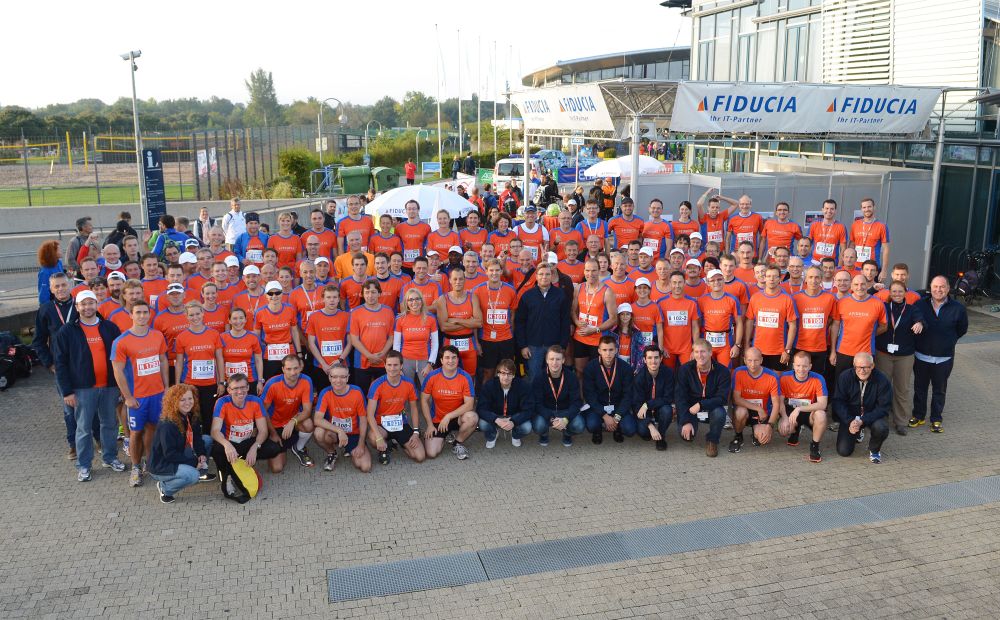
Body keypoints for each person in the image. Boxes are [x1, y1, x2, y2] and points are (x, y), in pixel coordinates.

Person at [52, 289, 124, 481]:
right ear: (77, 307)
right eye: (83, 304)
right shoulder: (67, 331)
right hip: (82, 389)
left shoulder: (110, 328)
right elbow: (60, 363)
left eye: (91, 303)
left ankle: (110, 457)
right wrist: (67, 391)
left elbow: (120, 358)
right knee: (83, 428)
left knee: (110, 424)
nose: (87, 307)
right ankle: (84, 465)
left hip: (109, 386)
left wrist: (121, 386)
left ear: (96, 305)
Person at [110, 301, 169, 488]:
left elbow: (163, 361)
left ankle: (150, 463)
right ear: (131, 315)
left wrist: (167, 387)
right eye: (138, 312)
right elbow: (118, 371)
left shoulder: (157, 336)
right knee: (135, 433)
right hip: (138, 397)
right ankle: (135, 468)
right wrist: (128, 397)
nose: (142, 316)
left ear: (150, 314)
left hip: (157, 395)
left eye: (145, 312)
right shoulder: (121, 341)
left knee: (153, 428)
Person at [210, 373, 282, 502]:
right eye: (235, 388)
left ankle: (242, 462)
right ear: (229, 390)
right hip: (230, 444)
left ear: (248, 387)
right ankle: (227, 474)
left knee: (273, 448)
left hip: (247, 442)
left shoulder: (255, 401)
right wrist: (227, 445)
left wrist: (255, 447)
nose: (240, 391)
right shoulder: (222, 402)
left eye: (243, 387)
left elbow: (263, 431)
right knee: (216, 448)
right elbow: (214, 431)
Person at [910, 276, 968, 433]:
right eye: (935, 286)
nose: (938, 290)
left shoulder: (958, 308)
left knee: (939, 390)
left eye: (942, 287)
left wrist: (948, 341)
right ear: (930, 287)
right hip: (921, 356)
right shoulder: (920, 304)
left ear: (948, 288)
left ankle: (936, 419)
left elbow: (962, 329)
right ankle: (918, 415)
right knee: (920, 388)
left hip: (944, 358)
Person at [875, 281, 925, 435]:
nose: (897, 294)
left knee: (902, 389)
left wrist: (920, 323)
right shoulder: (883, 306)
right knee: (882, 387)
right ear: (889, 293)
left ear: (905, 293)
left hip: (904, 356)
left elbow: (920, 318)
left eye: (900, 291)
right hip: (883, 354)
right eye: (894, 291)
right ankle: (881, 418)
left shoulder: (911, 309)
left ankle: (901, 421)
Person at [148, 384, 211, 503]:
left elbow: (197, 438)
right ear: (174, 401)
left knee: (207, 440)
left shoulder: (191, 414)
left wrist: (201, 454)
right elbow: (170, 454)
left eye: (190, 398)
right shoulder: (168, 424)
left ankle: (201, 472)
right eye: (182, 400)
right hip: (162, 465)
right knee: (192, 475)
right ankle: (165, 488)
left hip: (181, 451)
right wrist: (194, 462)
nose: (188, 403)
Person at [366, 350, 426, 465]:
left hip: (400, 423)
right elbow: (369, 414)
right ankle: (385, 446)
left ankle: (401, 443)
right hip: (381, 425)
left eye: (395, 365)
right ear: (384, 365)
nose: (392, 368)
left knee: (420, 456)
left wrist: (416, 432)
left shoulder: (409, 383)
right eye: (389, 365)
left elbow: (414, 408)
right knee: (373, 438)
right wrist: (379, 437)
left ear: (401, 366)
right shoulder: (377, 384)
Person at [174, 301, 226, 430]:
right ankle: (192, 441)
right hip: (190, 384)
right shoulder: (181, 337)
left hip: (210, 384)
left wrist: (221, 382)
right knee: (192, 417)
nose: (195, 317)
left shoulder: (214, 334)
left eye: (197, 314)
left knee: (209, 415)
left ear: (203, 313)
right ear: (186, 316)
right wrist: (178, 384)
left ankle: (208, 440)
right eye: (191, 315)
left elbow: (219, 358)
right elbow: (179, 362)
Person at [515, 263, 571, 382]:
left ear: (551, 276)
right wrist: (523, 346)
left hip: (554, 345)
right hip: (533, 346)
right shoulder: (527, 296)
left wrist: (563, 345)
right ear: (536, 276)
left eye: (547, 274)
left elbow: (565, 322)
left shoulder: (560, 295)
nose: (544, 277)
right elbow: (520, 322)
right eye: (541, 274)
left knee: (553, 377)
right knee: (534, 378)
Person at [832, 352, 892, 463]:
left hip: (872, 415)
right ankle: (858, 430)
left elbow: (883, 407)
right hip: (851, 416)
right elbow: (838, 401)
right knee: (844, 451)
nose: (862, 370)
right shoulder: (845, 377)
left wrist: (863, 420)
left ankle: (874, 450)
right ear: (854, 366)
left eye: (865, 367)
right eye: (858, 367)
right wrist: (849, 420)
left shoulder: (882, 380)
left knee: (881, 427)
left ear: (872, 366)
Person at [675, 339, 730, 457]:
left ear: (710, 352)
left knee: (720, 413)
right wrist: (686, 421)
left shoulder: (723, 371)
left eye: (703, 351)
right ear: (693, 353)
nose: (700, 355)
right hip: (691, 407)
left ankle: (712, 440)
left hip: (711, 406)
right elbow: (680, 397)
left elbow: (722, 398)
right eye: (696, 352)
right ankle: (690, 423)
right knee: (687, 436)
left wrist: (701, 405)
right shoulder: (685, 369)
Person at [421, 346, 478, 460]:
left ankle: (457, 442)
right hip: (438, 420)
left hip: (457, 417)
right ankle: (445, 435)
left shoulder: (465, 377)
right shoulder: (432, 376)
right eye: (447, 358)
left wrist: (448, 416)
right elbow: (424, 400)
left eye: (454, 357)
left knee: (472, 418)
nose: (450, 361)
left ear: (458, 360)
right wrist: (430, 425)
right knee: (431, 453)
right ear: (441, 360)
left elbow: (469, 404)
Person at [313, 364, 371, 472]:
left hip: (354, 434)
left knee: (365, 467)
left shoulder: (357, 392)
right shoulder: (325, 393)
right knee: (318, 432)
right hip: (334, 433)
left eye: (342, 377)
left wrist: (361, 443)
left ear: (348, 377)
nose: (338, 381)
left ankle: (349, 448)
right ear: (329, 377)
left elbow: (363, 420)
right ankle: (332, 453)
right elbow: (317, 419)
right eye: (334, 377)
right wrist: (339, 431)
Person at [262, 354, 315, 471]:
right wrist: (272, 433)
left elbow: (307, 411)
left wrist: (292, 421)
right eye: (289, 369)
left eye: (296, 368)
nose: (293, 372)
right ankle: (277, 444)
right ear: (283, 369)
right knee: (277, 468)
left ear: (301, 367)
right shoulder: (272, 383)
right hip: (274, 425)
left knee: (308, 424)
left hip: (293, 422)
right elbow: (262, 412)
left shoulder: (306, 380)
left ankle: (298, 448)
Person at [832, 274, 888, 380]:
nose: (859, 287)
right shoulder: (842, 302)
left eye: (863, 284)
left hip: (866, 353)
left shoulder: (878, 304)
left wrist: (868, 333)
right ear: (851, 286)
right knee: (842, 383)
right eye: (856, 284)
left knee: (864, 384)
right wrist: (833, 351)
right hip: (844, 351)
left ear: (867, 285)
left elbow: (884, 326)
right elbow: (835, 325)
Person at [777, 351, 829, 463]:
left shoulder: (818, 378)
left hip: (809, 411)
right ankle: (795, 431)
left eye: (805, 366)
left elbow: (822, 404)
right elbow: (780, 401)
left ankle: (815, 446)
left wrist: (799, 408)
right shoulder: (785, 377)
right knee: (783, 431)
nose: (801, 369)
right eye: (798, 365)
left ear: (810, 366)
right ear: (793, 365)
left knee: (821, 415)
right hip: (791, 410)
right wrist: (784, 417)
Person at [744, 266, 798, 370]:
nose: (771, 279)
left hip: (779, 351)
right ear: (764, 278)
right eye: (768, 276)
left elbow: (793, 326)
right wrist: (747, 345)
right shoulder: (755, 298)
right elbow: (749, 321)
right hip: (758, 349)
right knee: (758, 378)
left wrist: (787, 350)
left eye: (775, 276)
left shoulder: (787, 299)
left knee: (777, 379)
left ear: (780, 278)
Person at [582, 336, 634, 444]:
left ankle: (617, 427)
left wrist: (617, 417)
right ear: (599, 351)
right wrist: (604, 415)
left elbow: (628, 395)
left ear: (616, 350)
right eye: (604, 350)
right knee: (591, 425)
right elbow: (589, 395)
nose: (608, 353)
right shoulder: (590, 367)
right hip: (598, 406)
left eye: (611, 350)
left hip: (618, 406)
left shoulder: (626, 368)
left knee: (630, 429)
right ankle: (598, 430)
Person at [729, 347, 781, 453]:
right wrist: (758, 408)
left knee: (762, 439)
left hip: (762, 414)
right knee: (740, 412)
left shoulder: (772, 376)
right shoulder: (738, 372)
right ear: (744, 360)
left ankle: (755, 430)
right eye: (749, 360)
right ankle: (738, 436)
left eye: (756, 360)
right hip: (745, 408)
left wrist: (770, 426)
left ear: (761, 360)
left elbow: (776, 404)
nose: (753, 364)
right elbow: (736, 399)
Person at [531, 345, 585, 447]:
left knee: (579, 425)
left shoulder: (571, 377)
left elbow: (577, 402)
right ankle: (544, 434)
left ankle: (567, 434)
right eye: (551, 359)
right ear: (547, 360)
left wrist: (566, 418)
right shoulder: (539, 378)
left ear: (563, 360)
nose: (554, 363)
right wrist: (551, 418)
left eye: (558, 359)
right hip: (547, 410)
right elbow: (537, 403)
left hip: (565, 410)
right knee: (538, 426)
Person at [793, 266, 839, 378]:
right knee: (799, 379)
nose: (813, 280)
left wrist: (833, 350)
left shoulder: (830, 298)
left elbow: (833, 322)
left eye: (817, 277)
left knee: (817, 380)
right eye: (810, 277)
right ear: (805, 279)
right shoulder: (795, 298)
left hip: (820, 348)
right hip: (799, 346)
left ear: (821, 279)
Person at [477, 358, 534, 448]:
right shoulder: (489, 385)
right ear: (498, 374)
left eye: (509, 374)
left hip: (514, 416)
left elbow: (529, 409)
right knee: (483, 424)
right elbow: (481, 408)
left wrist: (514, 421)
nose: (506, 377)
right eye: (503, 373)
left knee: (527, 427)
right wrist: (496, 419)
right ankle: (493, 434)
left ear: (514, 375)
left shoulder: (523, 386)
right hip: (496, 416)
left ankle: (515, 434)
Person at [349, 280, 395, 393]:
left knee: (383, 393)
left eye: (373, 292)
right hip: (362, 361)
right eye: (367, 292)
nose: (370, 295)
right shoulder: (356, 312)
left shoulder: (388, 311)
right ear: (362, 294)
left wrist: (382, 353)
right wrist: (369, 356)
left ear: (379, 293)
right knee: (362, 393)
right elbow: (354, 339)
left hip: (382, 360)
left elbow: (391, 337)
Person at [631, 345, 675, 451]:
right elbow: (636, 405)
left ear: (661, 358)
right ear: (644, 360)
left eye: (656, 357)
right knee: (644, 432)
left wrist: (647, 405)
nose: (653, 361)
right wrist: (650, 426)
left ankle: (661, 437)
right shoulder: (639, 378)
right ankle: (650, 430)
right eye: (650, 358)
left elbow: (668, 398)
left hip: (659, 408)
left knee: (667, 410)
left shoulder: (668, 373)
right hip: (644, 413)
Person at [255, 280, 301, 380]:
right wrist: (258, 355)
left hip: (288, 351)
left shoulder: (290, 309)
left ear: (282, 294)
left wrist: (299, 352)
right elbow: (256, 336)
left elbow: (294, 332)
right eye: (270, 293)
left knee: (291, 380)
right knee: (271, 382)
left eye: (277, 293)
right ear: (266, 296)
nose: (274, 296)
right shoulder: (260, 313)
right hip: (269, 354)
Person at [697, 269, 742, 368]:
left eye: (719, 279)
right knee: (706, 371)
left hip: (726, 344)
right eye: (712, 280)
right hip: (706, 343)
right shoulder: (702, 300)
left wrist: (737, 345)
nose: (716, 282)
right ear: (708, 283)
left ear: (724, 280)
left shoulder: (732, 300)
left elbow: (739, 323)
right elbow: (697, 324)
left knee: (725, 372)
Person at [394, 288, 439, 386]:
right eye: (410, 300)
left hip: (425, 361)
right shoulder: (400, 320)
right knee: (406, 390)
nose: (414, 302)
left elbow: (435, 343)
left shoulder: (431, 318)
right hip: (405, 361)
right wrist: (398, 365)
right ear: (406, 303)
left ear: (421, 301)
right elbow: (396, 344)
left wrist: (430, 364)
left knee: (427, 390)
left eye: (417, 299)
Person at [657, 270, 701, 369]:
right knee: (668, 375)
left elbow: (695, 328)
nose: (677, 286)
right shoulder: (661, 303)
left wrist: (695, 348)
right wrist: (662, 347)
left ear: (684, 283)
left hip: (686, 349)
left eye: (680, 282)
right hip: (667, 348)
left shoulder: (692, 303)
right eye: (674, 282)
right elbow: (659, 328)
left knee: (688, 373)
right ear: (670, 283)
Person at [850, 198, 890, 279]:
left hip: (873, 268)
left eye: (869, 207)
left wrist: (884, 270)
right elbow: (851, 244)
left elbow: (886, 249)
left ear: (874, 207)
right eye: (864, 207)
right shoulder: (855, 224)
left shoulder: (881, 226)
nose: (867, 209)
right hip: (856, 267)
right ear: (861, 209)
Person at [808, 199, 848, 266]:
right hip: (814, 262)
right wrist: (808, 261)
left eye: (832, 209)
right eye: (826, 208)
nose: (829, 211)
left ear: (835, 211)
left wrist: (839, 266)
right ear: (822, 210)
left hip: (832, 264)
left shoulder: (841, 227)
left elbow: (843, 248)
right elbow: (807, 243)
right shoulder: (814, 224)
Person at [37, 240, 65, 305]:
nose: (61, 250)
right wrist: (46, 307)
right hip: (52, 303)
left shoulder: (59, 263)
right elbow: (43, 292)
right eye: (59, 249)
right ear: (52, 253)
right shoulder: (45, 272)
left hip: (60, 300)